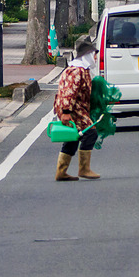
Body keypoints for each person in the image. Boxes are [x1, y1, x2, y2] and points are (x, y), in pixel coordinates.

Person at [53, 40, 101, 181]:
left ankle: (61, 172)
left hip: (75, 108)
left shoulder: (81, 69)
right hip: (73, 109)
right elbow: (69, 92)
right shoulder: (77, 71)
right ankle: (84, 169)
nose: (96, 58)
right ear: (87, 55)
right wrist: (66, 112)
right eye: (94, 55)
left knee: (73, 138)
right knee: (90, 133)